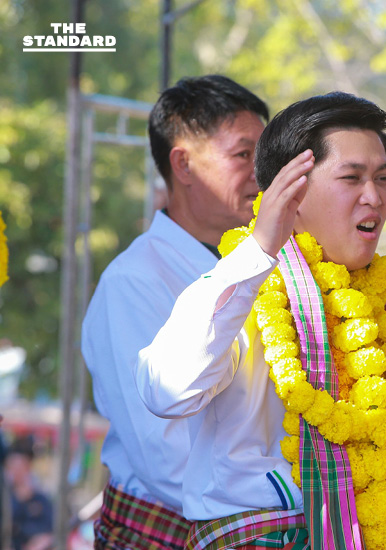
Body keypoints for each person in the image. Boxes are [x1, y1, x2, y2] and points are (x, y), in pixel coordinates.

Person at [136, 92, 386, 549]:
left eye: (383, 178)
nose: (374, 197)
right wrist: (258, 250)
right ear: (290, 192)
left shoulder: (381, 305)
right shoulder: (246, 289)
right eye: (351, 177)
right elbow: (165, 390)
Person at [81, 74, 269, 550]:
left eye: (265, 156)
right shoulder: (134, 281)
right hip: (165, 531)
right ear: (183, 164)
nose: (261, 173)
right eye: (244, 154)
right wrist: (299, 495)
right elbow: (167, 459)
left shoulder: (262, 263)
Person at [5, 436, 54, 550]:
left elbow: (51, 530)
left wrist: (44, 540)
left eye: (19, 466)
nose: (16, 471)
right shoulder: (5, 498)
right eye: (12, 467)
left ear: (28, 467)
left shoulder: (41, 499)